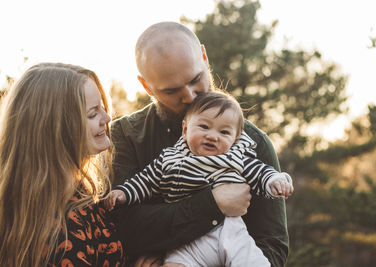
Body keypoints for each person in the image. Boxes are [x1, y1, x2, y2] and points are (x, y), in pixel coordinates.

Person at [111, 21, 289, 266]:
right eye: (172, 91)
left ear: (204, 57)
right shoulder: (126, 135)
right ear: (146, 86)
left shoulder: (253, 142)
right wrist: (213, 203)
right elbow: (123, 230)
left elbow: (273, 247)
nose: (191, 95)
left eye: (196, 79)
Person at [107, 91, 293, 266]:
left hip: (230, 231)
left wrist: (274, 181)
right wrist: (124, 192)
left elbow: (260, 172)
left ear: (235, 139)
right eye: (204, 127)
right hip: (187, 240)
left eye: (224, 132)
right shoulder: (170, 159)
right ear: (185, 129)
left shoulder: (236, 158)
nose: (212, 136)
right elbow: (145, 181)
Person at [0, 63, 125, 266]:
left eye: (102, 107)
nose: (107, 117)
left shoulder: (75, 191)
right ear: (56, 130)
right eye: (93, 113)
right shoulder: (63, 233)